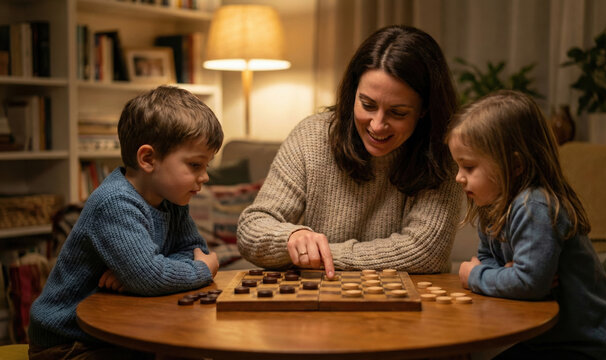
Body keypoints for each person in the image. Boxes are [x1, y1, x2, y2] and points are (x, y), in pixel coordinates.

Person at [237, 25, 462, 278]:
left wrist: (321, 255)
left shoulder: (444, 151)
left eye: (398, 113)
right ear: (353, 91)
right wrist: (292, 237)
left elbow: (425, 252)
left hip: (412, 305)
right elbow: (251, 229)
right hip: (321, 300)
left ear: (424, 110)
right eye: (367, 104)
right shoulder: (312, 137)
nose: (377, 125)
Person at [28, 86, 223, 359]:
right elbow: (157, 274)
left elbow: (190, 250)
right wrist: (200, 270)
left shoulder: (172, 201)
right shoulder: (115, 203)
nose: (204, 177)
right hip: (68, 342)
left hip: (117, 330)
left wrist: (141, 275)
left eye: (207, 166)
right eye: (194, 165)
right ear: (148, 159)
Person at [446, 90, 606, 359]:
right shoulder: (491, 206)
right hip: (546, 341)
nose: (458, 178)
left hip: (592, 347)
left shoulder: (533, 207)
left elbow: (528, 283)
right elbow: (489, 259)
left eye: (469, 167)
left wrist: (475, 276)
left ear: (515, 165)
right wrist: (507, 274)